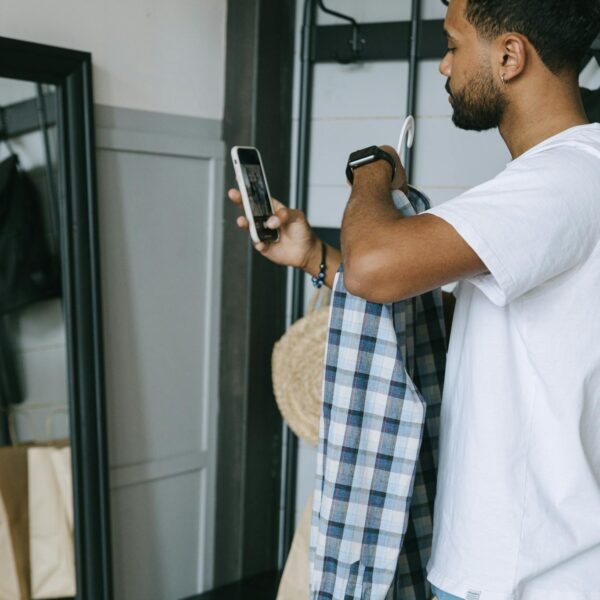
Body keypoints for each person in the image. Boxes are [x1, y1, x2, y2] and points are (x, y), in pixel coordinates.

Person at [229, 0, 600, 597]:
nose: (442, 66)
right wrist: (313, 258)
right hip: (511, 563)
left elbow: (378, 266)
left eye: (452, 45)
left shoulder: (562, 181)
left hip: (527, 574)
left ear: (509, 56)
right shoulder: (561, 179)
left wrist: (371, 168)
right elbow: (456, 320)